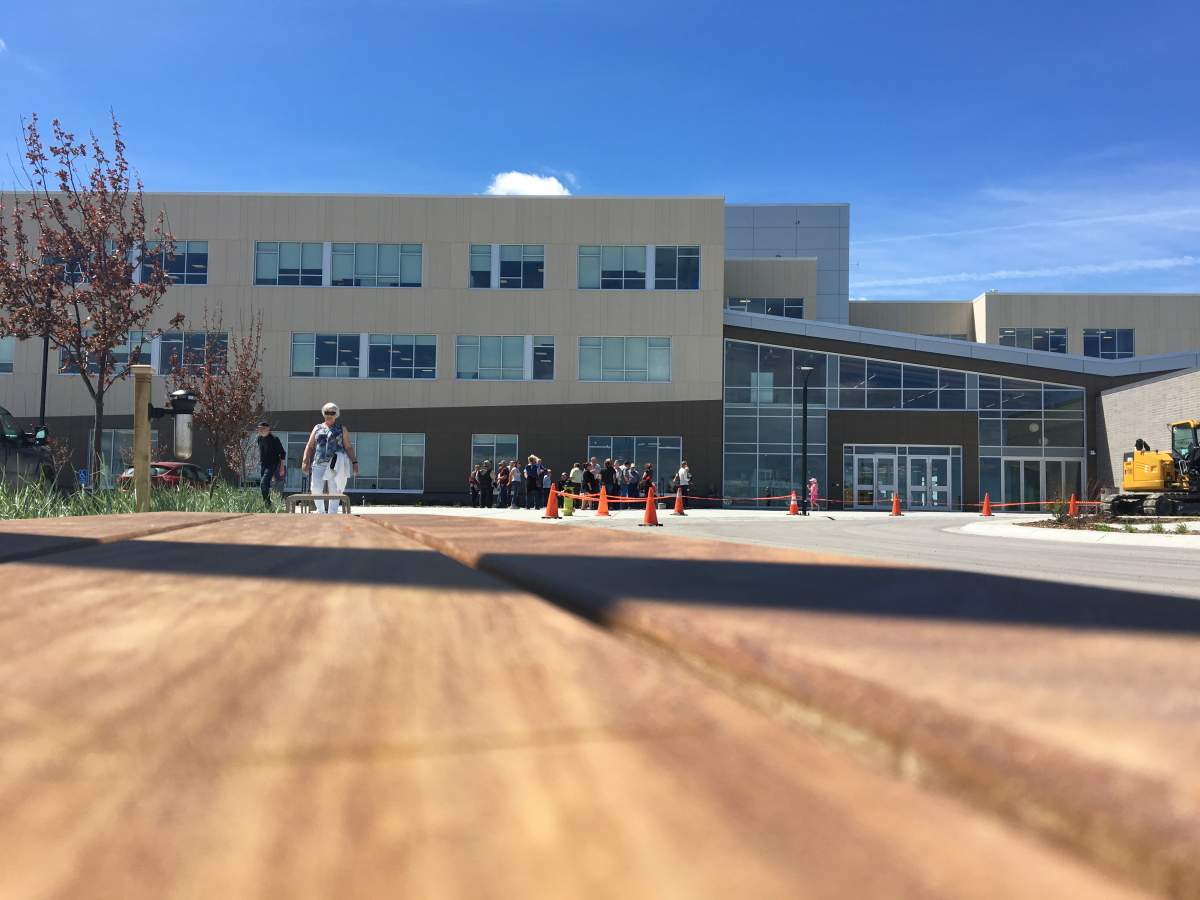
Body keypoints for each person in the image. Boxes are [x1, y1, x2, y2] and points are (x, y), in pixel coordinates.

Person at [301, 402, 358, 514]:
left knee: (335, 490)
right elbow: (310, 445)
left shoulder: (342, 428)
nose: (329, 415)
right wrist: (305, 461)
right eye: (327, 412)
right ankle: (320, 511)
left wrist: (354, 462)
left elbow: (348, 447)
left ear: (336, 414)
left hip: (335, 464)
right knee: (316, 489)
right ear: (323, 413)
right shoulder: (317, 427)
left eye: (332, 412)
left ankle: (332, 513)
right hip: (319, 463)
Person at [255, 420, 286, 509]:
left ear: (268, 429)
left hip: (272, 464)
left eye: (263, 429)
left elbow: (282, 453)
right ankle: (267, 505)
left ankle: (268, 504)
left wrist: (281, 468)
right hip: (263, 465)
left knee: (263, 483)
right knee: (264, 486)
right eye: (259, 429)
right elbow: (262, 452)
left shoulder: (274, 439)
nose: (260, 431)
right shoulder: (259, 438)